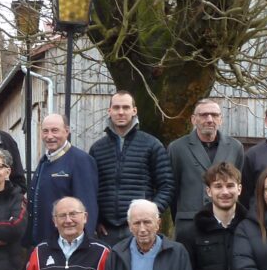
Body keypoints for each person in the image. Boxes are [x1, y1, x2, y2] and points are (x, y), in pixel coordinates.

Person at [88, 91, 175, 245]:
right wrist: (96, 220)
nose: (121, 112)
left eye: (126, 107)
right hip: (106, 231)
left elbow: (167, 186)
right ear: (109, 111)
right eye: (116, 108)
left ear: (134, 111)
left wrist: (150, 213)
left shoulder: (152, 145)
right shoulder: (97, 149)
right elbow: (91, 188)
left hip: (140, 228)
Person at [167, 98, 245, 239]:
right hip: (189, 224)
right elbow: (172, 189)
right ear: (193, 119)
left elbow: (239, 187)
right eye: (204, 115)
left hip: (226, 224)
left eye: (215, 115)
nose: (210, 119)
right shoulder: (177, 148)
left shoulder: (235, 147)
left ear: (221, 119)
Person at [28, 113, 98, 247]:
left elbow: (87, 207)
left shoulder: (81, 160)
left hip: (67, 245)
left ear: (66, 131)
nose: (49, 136)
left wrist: (84, 247)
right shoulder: (44, 161)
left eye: (55, 130)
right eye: (45, 131)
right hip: (42, 244)